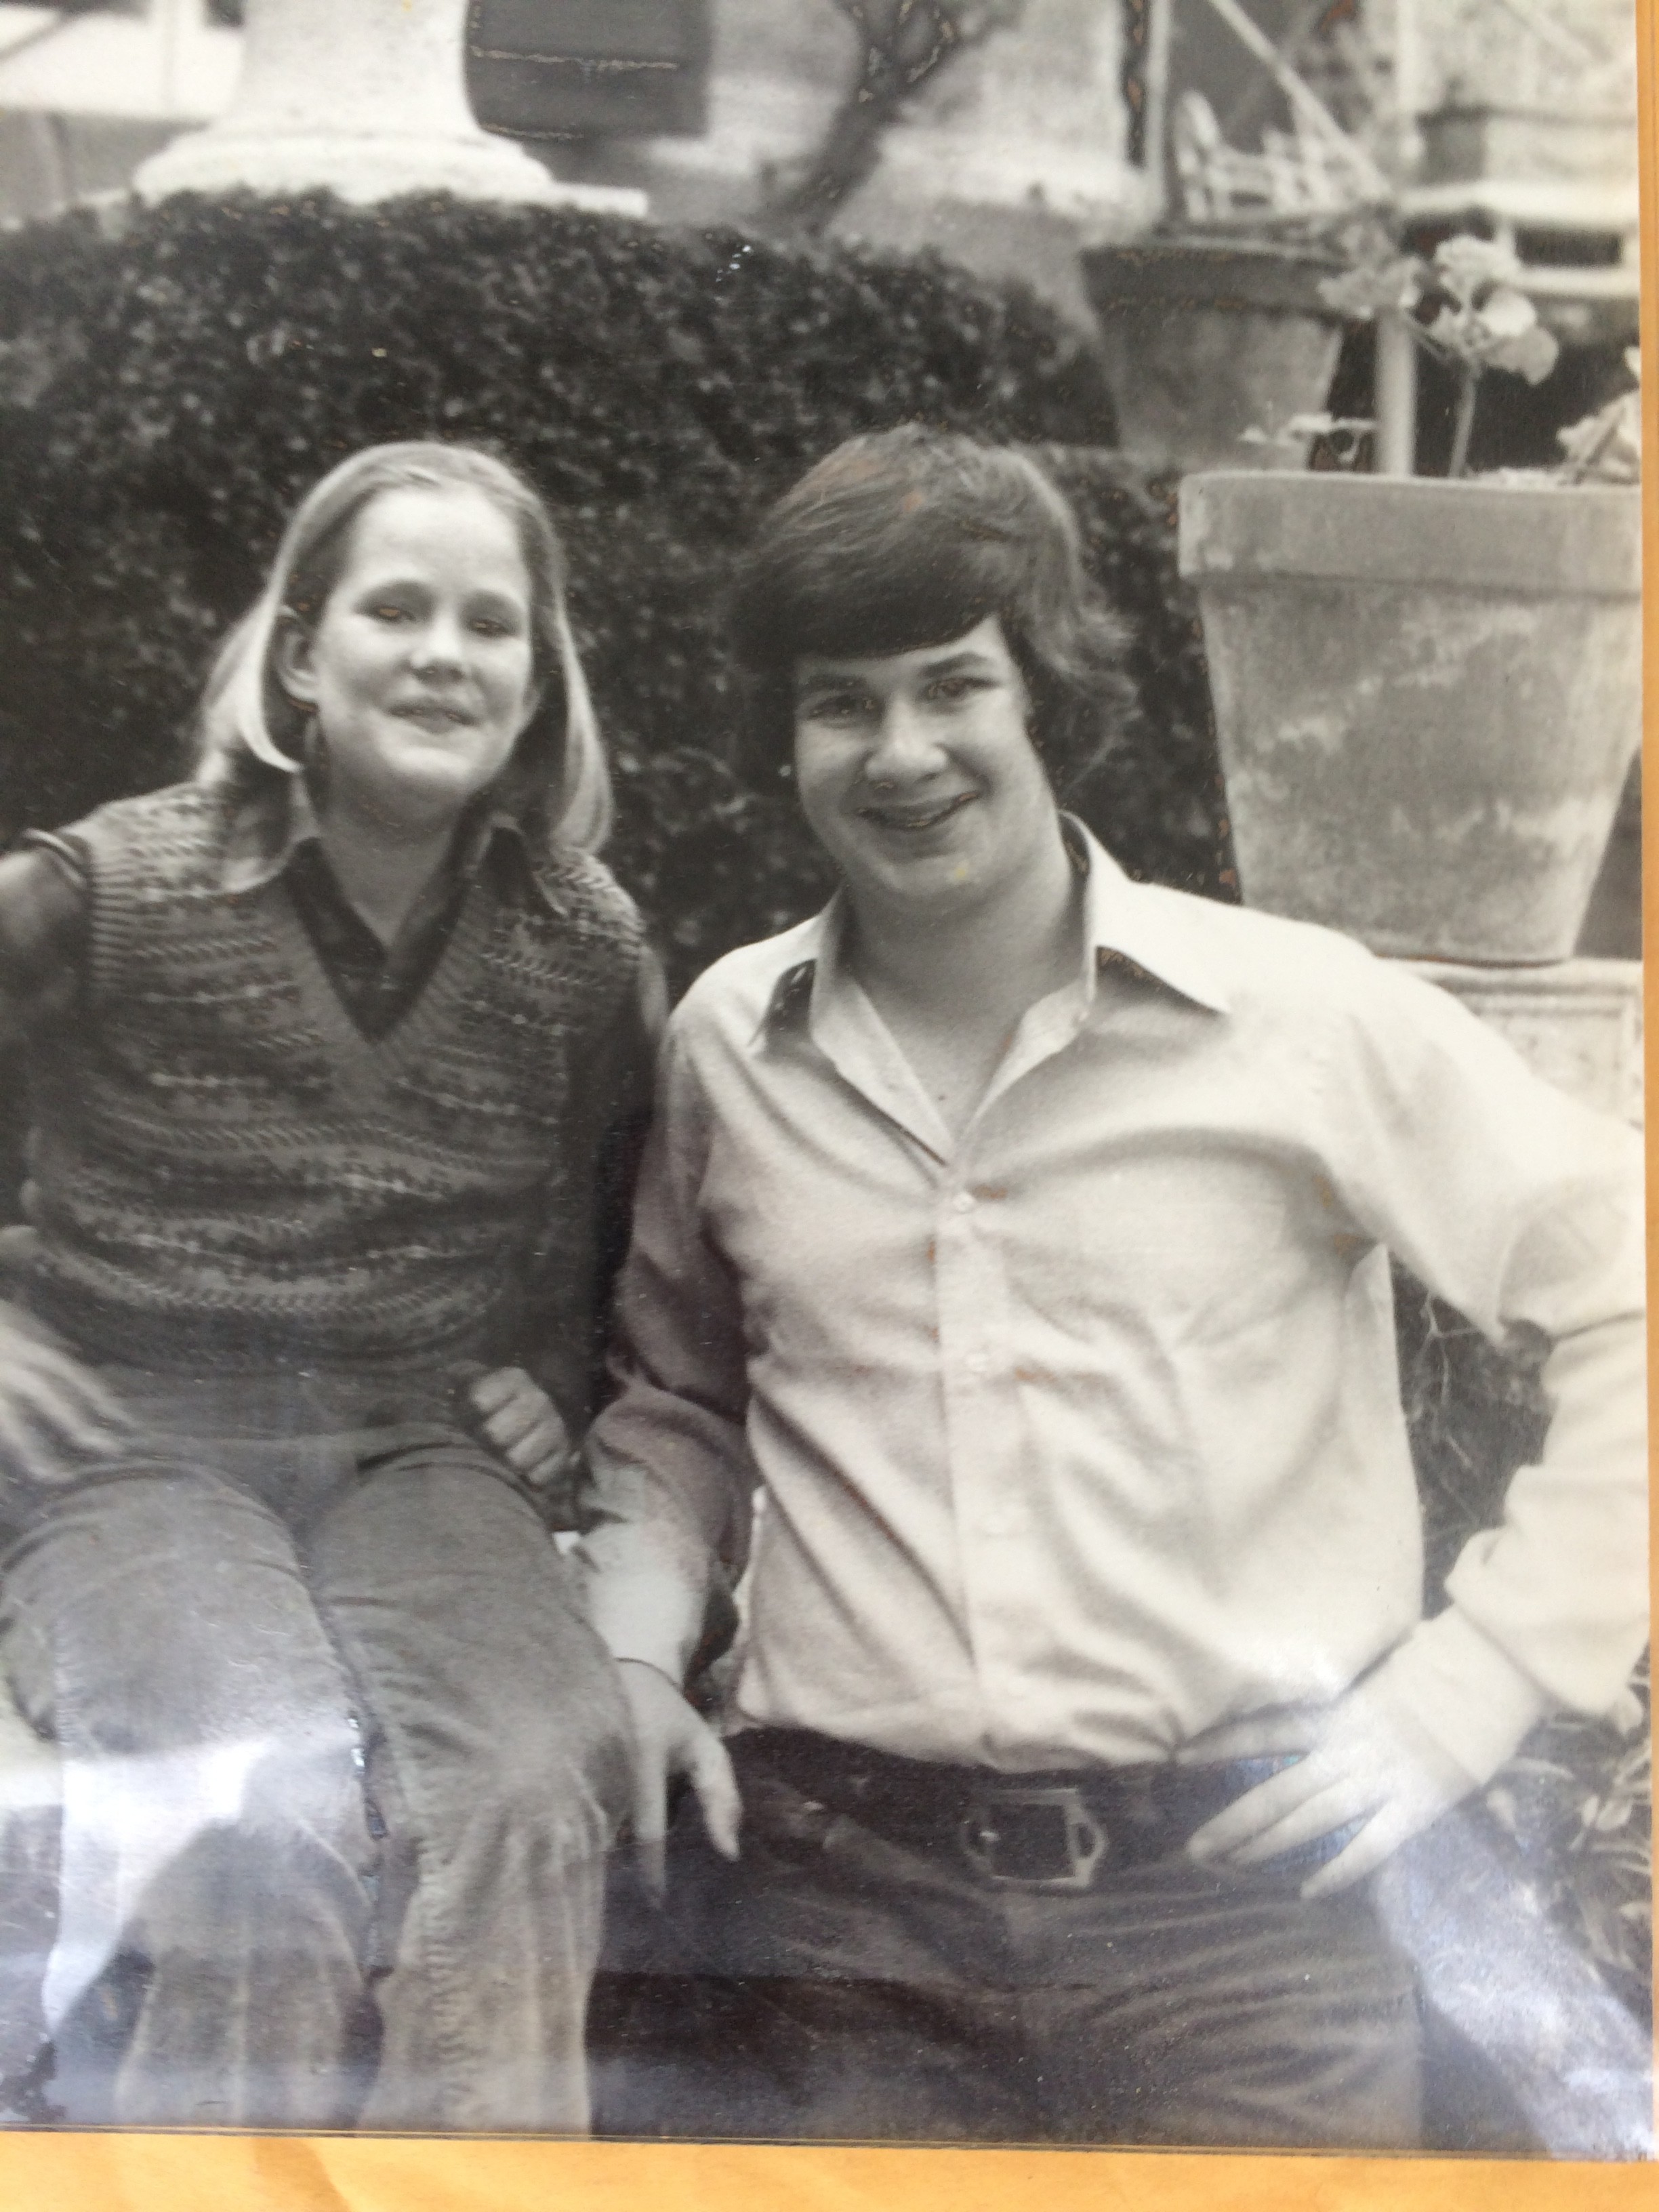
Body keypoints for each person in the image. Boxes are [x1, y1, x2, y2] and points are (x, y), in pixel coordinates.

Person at [579, 428, 1647, 2149]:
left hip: (1249, 1926)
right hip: (845, 1919)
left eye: (955, 688)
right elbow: (682, 1396)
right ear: (786, 739)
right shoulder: (732, 1043)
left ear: (1048, 703)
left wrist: (1486, 1680)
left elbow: (1630, 1282)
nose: (903, 751)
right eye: (841, 702)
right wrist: (632, 1654)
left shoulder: (1299, 1024)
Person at [0, 441, 658, 2132]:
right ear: (300, 653)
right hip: (133, 1444)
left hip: (408, 1454)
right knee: (259, 1805)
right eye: (394, 607)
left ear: (538, 678)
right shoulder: (116, 887)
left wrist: (555, 1371)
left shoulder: (579, 946)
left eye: (491, 623)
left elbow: (618, 1220)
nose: (444, 652)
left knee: (526, 1784)